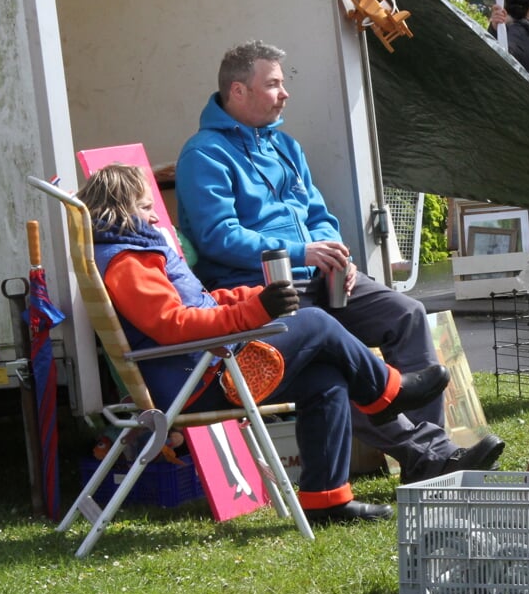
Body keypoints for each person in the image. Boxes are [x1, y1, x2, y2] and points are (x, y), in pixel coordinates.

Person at [175, 40, 505, 482]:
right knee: (335, 360)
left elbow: (318, 214)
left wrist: (336, 255)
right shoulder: (204, 154)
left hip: (321, 278)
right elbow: (219, 237)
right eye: (273, 84)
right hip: (265, 293)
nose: (285, 93)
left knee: (406, 314)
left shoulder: (285, 147)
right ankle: (429, 457)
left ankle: (432, 453)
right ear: (238, 91)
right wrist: (301, 252)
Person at [77, 164, 454, 525]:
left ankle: (326, 499)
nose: (157, 217)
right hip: (201, 383)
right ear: (119, 209)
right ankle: (387, 393)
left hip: (206, 369)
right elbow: (174, 326)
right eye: (145, 207)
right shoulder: (128, 261)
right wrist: (254, 312)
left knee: (324, 379)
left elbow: (196, 306)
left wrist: (252, 296)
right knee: (318, 321)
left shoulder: (134, 252)